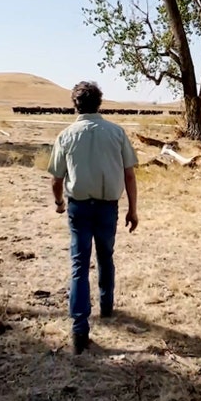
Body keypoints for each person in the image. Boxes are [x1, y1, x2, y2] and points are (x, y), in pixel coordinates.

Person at [47, 81, 139, 355]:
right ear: (100, 103)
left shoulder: (66, 135)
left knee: (79, 264)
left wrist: (59, 203)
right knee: (105, 255)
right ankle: (106, 305)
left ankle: (78, 330)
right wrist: (132, 209)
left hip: (78, 207)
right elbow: (130, 174)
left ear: (75, 104)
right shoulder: (116, 132)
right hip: (107, 206)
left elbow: (56, 180)